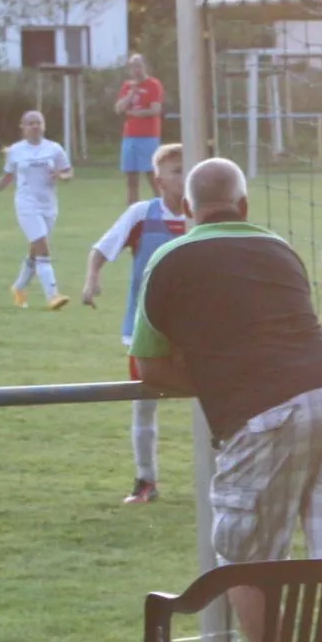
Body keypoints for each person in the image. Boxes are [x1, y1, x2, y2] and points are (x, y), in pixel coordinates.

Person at [131, 158, 322, 642]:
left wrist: (220, 379)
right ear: (244, 205)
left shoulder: (169, 258)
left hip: (267, 414)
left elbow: (150, 367)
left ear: (187, 209)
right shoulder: (279, 248)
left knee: (247, 563)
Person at [81, 142, 189, 505]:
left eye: (189, 168)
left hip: (196, 331)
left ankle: (221, 476)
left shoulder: (204, 216)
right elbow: (101, 248)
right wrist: (92, 279)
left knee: (212, 403)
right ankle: (145, 480)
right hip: (145, 330)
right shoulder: (142, 214)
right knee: (144, 402)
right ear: (159, 180)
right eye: (177, 170)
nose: (185, 176)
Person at [0, 110, 73, 310]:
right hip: (26, 204)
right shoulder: (16, 151)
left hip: (49, 205)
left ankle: (19, 287)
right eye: (30, 123)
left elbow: (68, 171)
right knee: (43, 248)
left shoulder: (54, 148)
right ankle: (53, 295)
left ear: (44, 126)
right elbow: (7, 178)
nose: (35, 126)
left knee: (35, 251)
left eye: (38, 122)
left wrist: (61, 176)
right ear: (23, 127)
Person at [114, 53, 165, 203]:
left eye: (139, 66)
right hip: (130, 136)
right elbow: (119, 109)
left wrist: (134, 113)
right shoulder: (127, 86)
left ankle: (163, 205)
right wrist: (130, 94)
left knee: (151, 174)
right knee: (131, 176)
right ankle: (133, 209)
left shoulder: (153, 84)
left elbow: (155, 110)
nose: (136, 70)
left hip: (149, 136)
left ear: (145, 67)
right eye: (133, 67)